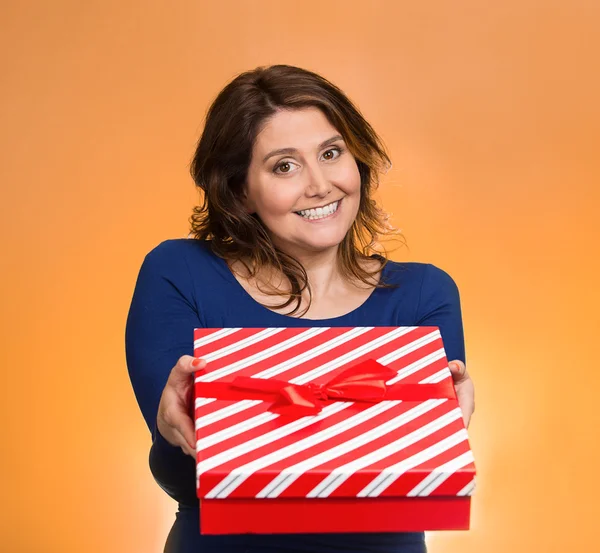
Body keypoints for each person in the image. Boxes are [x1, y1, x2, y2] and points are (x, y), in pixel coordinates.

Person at [125, 64, 475, 553]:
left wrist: (442, 435)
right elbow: (189, 472)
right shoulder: (179, 273)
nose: (320, 185)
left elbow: (408, 480)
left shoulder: (424, 294)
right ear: (242, 190)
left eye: (331, 153)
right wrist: (174, 425)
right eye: (284, 166)